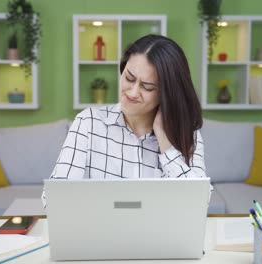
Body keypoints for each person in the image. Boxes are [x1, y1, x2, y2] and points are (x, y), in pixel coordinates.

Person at [42, 34, 209, 205]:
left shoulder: (188, 134)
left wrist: (166, 145)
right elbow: (53, 200)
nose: (133, 92)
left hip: (161, 232)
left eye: (147, 87)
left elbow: (199, 202)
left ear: (166, 94)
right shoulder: (88, 123)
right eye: (129, 78)